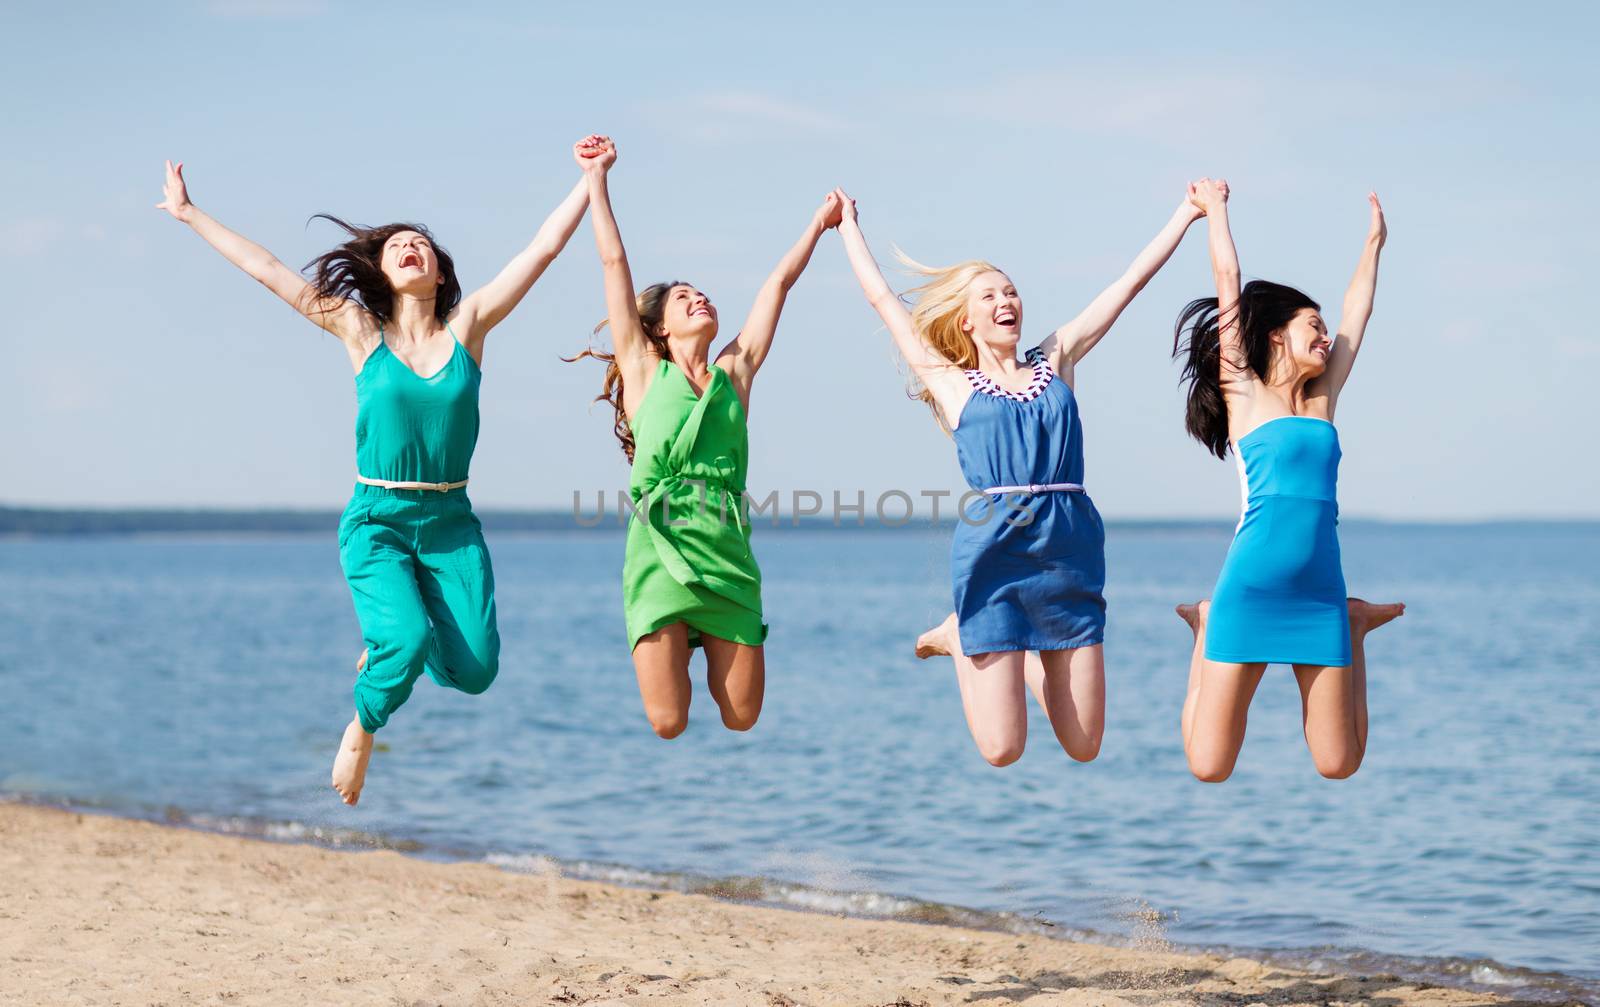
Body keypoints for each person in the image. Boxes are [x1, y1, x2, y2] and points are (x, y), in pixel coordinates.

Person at [156, 154, 591, 804]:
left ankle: (396, 645)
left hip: (450, 525)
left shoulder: (468, 329)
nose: (412, 248)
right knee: (408, 639)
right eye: (398, 246)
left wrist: (590, 181)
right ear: (382, 270)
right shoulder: (361, 332)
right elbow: (268, 270)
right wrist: (190, 215)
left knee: (476, 671)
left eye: (422, 245)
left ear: (439, 271)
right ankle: (365, 719)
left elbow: (543, 249)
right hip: (377, 522)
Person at [835, 183, 1205, 766]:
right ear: (966, 320)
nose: (1005, 300)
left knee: (1084, 746)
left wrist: (1187, 212)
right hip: (995, 553)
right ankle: (961, 638)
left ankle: (1011, 650)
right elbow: (885, 301)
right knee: (1003, 749)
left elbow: (1128, 282)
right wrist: (847, 226)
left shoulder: (1056, 358)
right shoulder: (952, 383)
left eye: (1010, 291)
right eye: (989, 296)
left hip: (1070, 548)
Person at [569, 136, 841, 738]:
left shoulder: (733, 373)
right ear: (660, 328)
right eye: (684, 298)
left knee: (742, 717)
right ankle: (670, 639)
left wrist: (819, 226)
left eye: (704, 295)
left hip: (725, 549)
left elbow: (776, 285)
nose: (700, 300)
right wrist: (597, 179)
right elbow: (615, 265)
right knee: (668, 722)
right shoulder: (643, 370)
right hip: (660, 549)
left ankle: (702, 633)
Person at [1172, 178, 1403, 782]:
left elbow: (1358, 312)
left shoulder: (1321, 403)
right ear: (1276, 333)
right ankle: (1204, 625)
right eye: (1312, 325)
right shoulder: (1243, 393)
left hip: (1323, 589)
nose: (1326, 337)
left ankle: (1355, 626)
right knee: (1208, 766)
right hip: (1250, 584)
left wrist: (1374, 244)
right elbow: (1228, 283)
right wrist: (1215, 211)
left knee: (1339, 763)